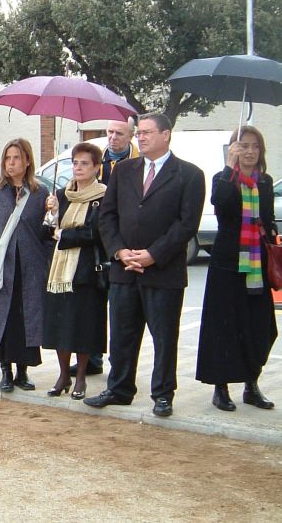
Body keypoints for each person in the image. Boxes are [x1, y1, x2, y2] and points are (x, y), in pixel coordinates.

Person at [87, 112, 205, 418]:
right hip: (124, 269)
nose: (141, 137)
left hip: (163, 271)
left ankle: (163, 394)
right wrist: (119, 251)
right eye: (138, 133)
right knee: (122, 334)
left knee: (164, 336)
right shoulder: (124, 171)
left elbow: (187, 224)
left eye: (147, 133)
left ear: (166, 135)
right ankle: (119, 388)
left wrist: (153, 254)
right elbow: (107, 216)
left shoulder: (189, 175)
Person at [196, 126, 276, 411]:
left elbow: (268, 219)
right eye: (243, 145)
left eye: (255, 146)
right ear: (233, 149)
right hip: (227, 264)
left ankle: (251, 384)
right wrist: (230, 168)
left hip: (257, 265)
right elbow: (220, 204)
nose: (250, 151)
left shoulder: (265, 182)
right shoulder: (223, 179)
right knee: (224, 327)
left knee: (260, 327)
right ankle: (221, 388)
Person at [0, 138, 50, 392]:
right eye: (7, 158)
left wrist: (53, 215)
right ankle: (5, 370)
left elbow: (47, 232)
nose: (11, 163)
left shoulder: (40, 193)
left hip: (30, 268)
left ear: (27, 161)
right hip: (0, 266)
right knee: (0, 319)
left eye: (17, 158)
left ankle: (23, 372)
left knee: (25, 319)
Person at [72, 118, 139, 377]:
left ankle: (119, 365)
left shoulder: (137, 162)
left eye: (119, 133)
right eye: (110, 132)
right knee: (93, 306)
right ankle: (93, 358)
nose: (113, 137)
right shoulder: (97, 160)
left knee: (121, 310)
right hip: (95, 244)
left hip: (124, 242)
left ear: (131, 135)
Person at [42, 142, 108, 400]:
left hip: (86, 271)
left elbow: (97, 232)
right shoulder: (61, 194)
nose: (78, 168)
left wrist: (65, 234)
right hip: (59, 272)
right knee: (60, 325)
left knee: (83, 326)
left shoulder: (103, 196)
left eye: (85, 163)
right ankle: (63, 374)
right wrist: (52, 213)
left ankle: (81, 375)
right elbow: (47, 232)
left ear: (96, 168)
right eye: (75, 162)